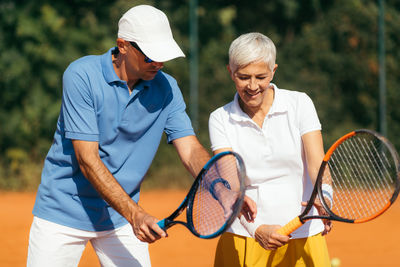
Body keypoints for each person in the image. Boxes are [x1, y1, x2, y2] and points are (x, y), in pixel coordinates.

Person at [27, 5, 256, 267]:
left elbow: (191, 150)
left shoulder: (167, 88)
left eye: (163, 55)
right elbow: (87, 160)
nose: (158, 63)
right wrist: (135, 214)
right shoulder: (82, 76)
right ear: (122, 46)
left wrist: (222, 191)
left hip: (120, 217)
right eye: (150, 55)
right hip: (63, 212)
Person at [209, 32, 332, 266]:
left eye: (261, 76)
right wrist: (256, 229)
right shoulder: (219, 118)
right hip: (245, 236)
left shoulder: (300, 103)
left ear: (273, 71)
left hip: (304, 233)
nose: (253, 86)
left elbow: (317, 164)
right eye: (243, 77)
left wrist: (325, 199)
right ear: (230, 72)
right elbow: (231, 183)